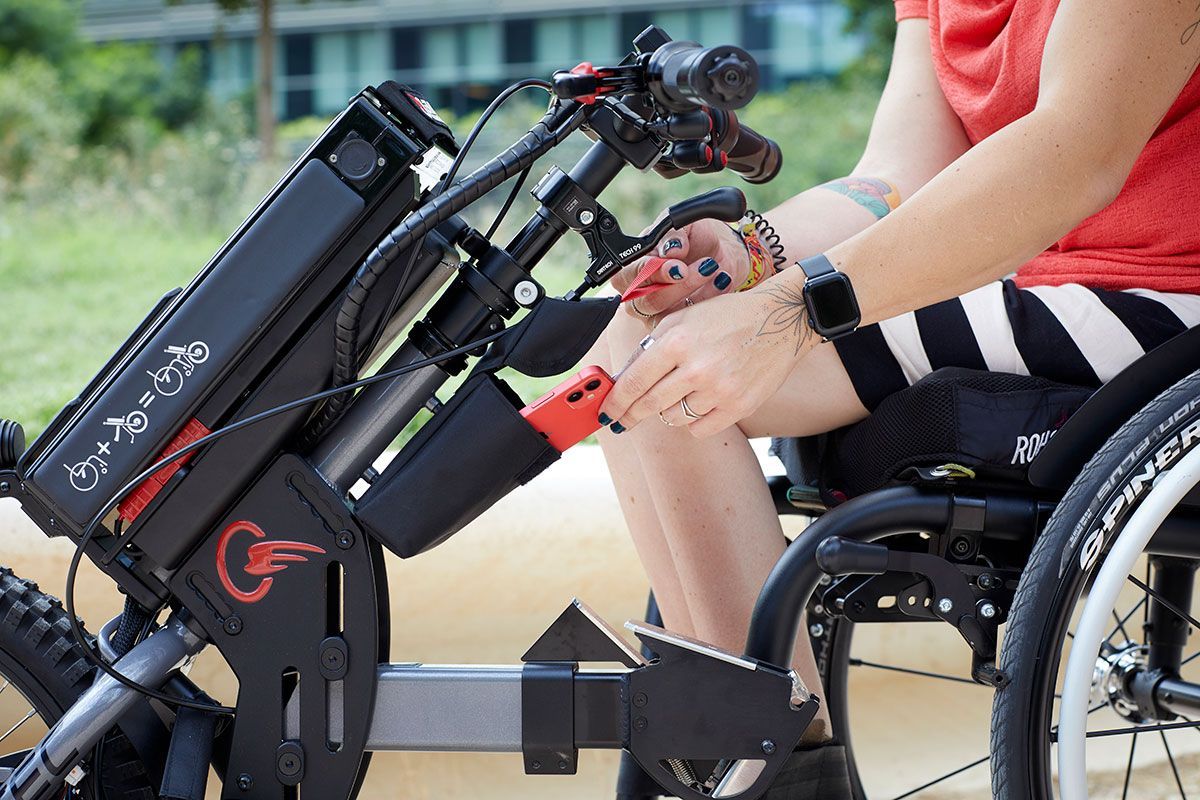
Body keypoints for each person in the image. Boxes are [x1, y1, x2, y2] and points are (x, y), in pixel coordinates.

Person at [590, 0, 1200, 795]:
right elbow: (900, 179)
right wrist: (748, 252)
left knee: (675, 371)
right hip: (1043, 283)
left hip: (1166, 297)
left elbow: (1074, 154)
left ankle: (765, 753)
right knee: (638, 352)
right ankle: (754, 742)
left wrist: (790, 312)